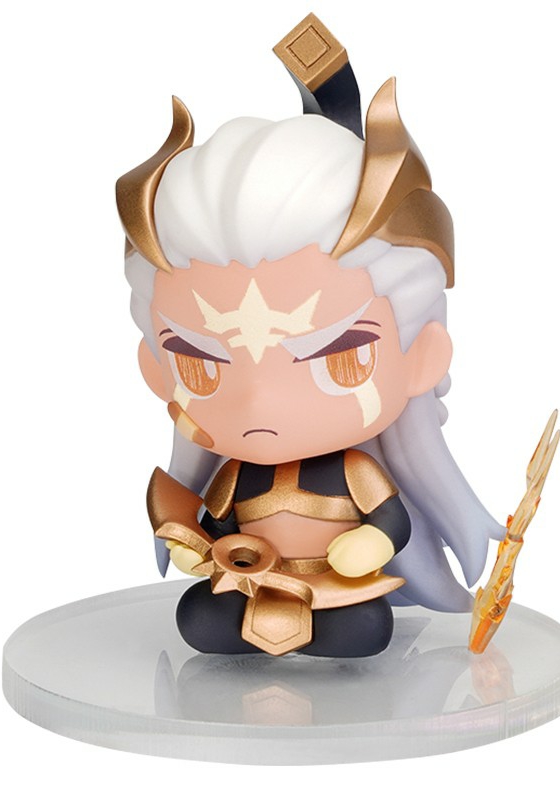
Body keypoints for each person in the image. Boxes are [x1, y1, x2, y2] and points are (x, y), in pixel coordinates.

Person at [116, 33, 503, 657]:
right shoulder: (235, 476)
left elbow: (389, 522)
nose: (260, 400)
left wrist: (369, 543)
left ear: (422, 358)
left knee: (363, 630)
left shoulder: (356, 474)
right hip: (253, 581)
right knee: (201, 618)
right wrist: (199, 546)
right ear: (154, 368)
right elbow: (214, 523)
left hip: (337, 590)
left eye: (340, 358)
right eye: (201, 364)